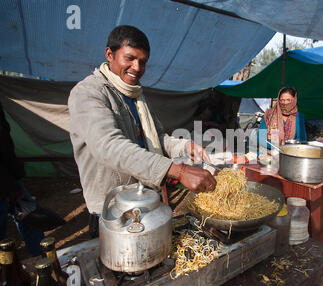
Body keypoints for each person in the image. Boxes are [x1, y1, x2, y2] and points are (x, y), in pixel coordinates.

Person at [68, 25, 216, 237]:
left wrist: (183, 146)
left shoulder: (136, 94)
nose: (137, 67)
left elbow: (156, 137)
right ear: (109, 54)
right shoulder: (88, 93)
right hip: (112, 210)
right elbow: (109, 147)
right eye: (129, 58)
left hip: (144, 199)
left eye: (143, 61)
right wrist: (178, 171)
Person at [0, 102, 44, 257]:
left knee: (30, 217)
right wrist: (9, 186)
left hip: (9, 177)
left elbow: (5, 144)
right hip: (6, 182)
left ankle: (42, 258)